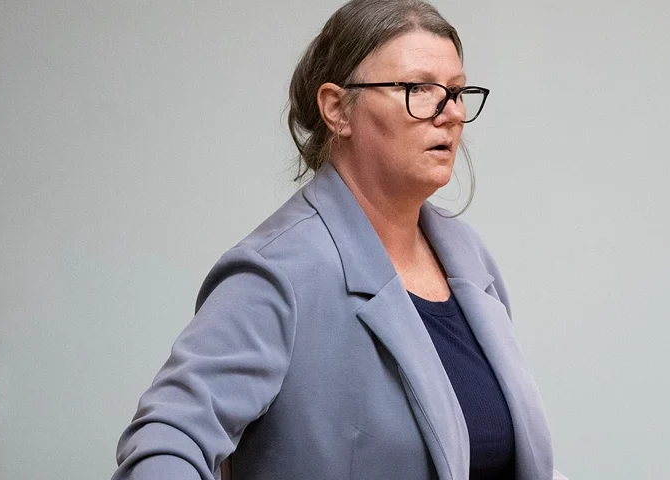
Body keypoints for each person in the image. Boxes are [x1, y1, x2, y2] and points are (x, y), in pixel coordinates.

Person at [113, 1, 567, 479]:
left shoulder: (470, 259)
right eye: (418, 88)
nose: (450, 113)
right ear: (336, 109)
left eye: (455, 91)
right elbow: (165, 443)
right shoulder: (277, 273)